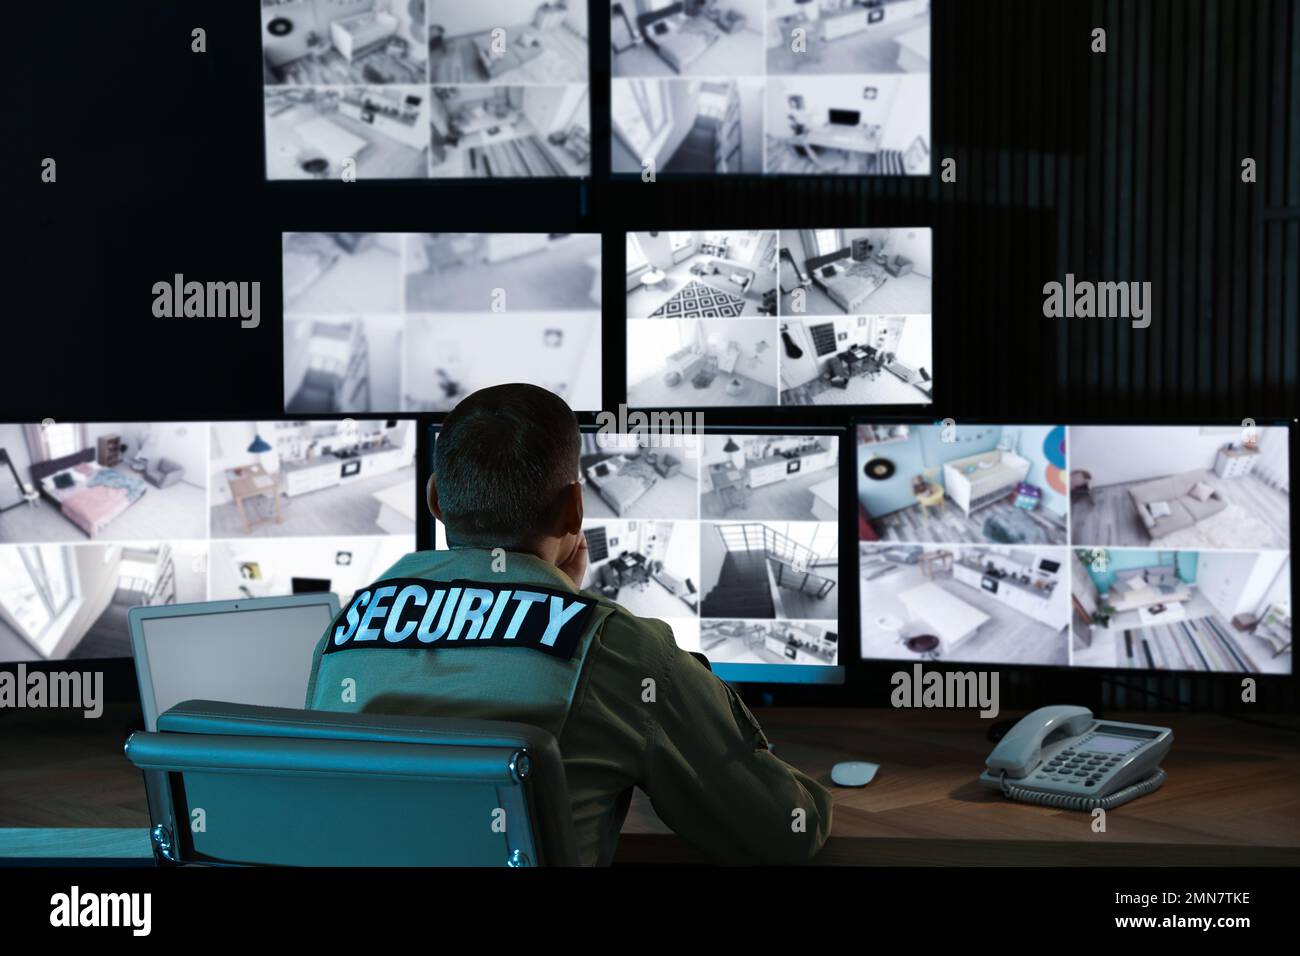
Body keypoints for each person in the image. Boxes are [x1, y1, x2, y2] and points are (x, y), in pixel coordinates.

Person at [305, 384, 832, 865]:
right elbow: (786, 831)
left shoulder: (345, 630)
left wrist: (553, 590)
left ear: (437, 500)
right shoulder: (622, 650)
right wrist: (569, 602)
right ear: (575, 509)